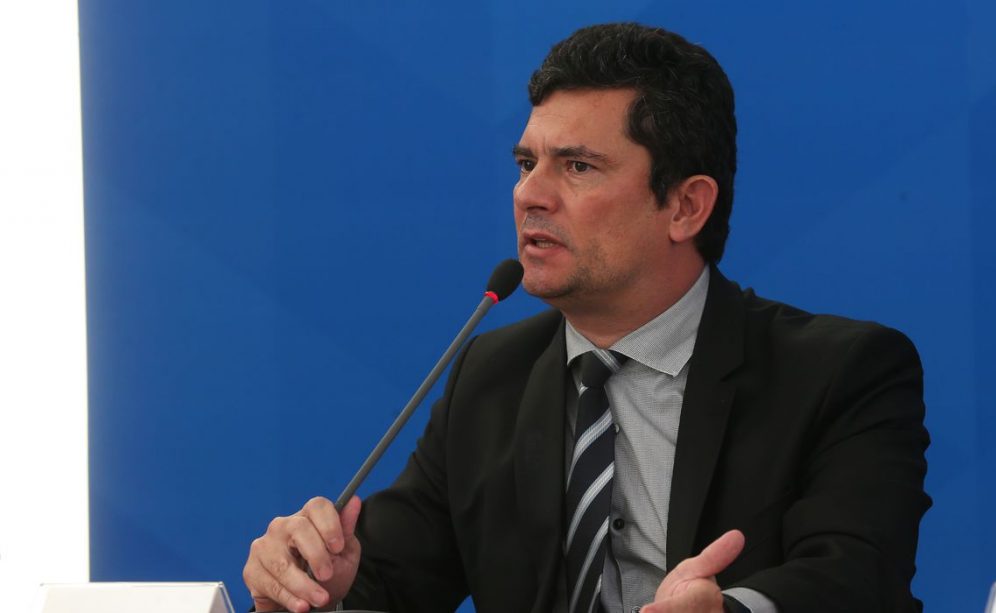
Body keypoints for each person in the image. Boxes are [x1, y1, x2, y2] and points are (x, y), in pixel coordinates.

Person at [242, 23, 930, 613]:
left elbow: (857, 574)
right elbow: (390, 580)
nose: (529, 195)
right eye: (526, 162)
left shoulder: (837, 373)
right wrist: (315, 585)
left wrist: (733, 609)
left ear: (686, 206)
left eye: (577, 167)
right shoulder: (491, 375)